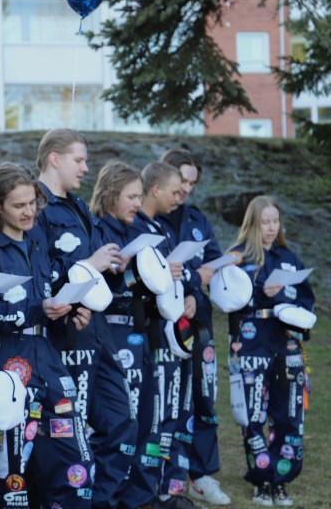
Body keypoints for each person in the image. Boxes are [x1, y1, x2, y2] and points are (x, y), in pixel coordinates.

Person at [0, 162, 94, 509]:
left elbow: (49, 292)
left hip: (47, 357)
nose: (28, 211)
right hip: (6, 358)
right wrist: (38, 309)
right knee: (12, 469)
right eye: (18, 205)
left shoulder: (37, 238)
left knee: (75, 462)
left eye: (31, 203)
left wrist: (67, 313)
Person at [33, 129, 137, 508]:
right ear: (54, 159)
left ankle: (100, 502)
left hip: (97, 331)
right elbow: (39, 275)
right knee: (64, 437)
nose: (86, 168)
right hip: (60, 337)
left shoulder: (78, 208)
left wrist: (111, 264)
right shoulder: (34, 207)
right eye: (79, 160)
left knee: (122, 423)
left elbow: (92, 272)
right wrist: (85, 266)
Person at [227, 195, 314, 506]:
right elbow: (224, 300)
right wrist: (259, 293)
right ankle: (261, 480)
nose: (271, 227)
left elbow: (307, 302)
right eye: (265, 221)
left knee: (289, 415)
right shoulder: (236, 257)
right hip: (251, 342)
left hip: (287, 344)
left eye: (275, 221)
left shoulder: (289, 258)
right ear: (252, 222)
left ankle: (281, 480)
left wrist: (290, 301)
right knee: (252, 415)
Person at [159, 149, 231, 505]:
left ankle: (200, 475)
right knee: (166, 399)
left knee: (204, 394)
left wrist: (201, 286)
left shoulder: (197, 220)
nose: (186, 188)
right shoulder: (148, 219)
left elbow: (214, 262)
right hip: (160, 325)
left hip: (198, 321)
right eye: (181, 180)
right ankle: (162, 472)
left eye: (191, 182)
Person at [90, 160, 160, 509]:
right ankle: (109, 497)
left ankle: (136, 497)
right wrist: (126, 274)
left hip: (140, 333)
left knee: (143, 421)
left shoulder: (137, 231)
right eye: (131, 196)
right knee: (120, 423)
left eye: (140, 196)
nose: (137, 203)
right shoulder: (97, 231)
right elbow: (100, 287)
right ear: (110, 194)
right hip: (109, 338)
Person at [127, 161, 196, 509]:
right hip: (141, 334)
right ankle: (141, 494)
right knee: (147, 418)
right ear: (155, 190)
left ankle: (158, 489)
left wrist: (187, 289)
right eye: (174, 192)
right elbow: (130, 282)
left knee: (165, 414)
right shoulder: (136, 228)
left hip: (167, 335)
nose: (179, 198)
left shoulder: (159, 228)